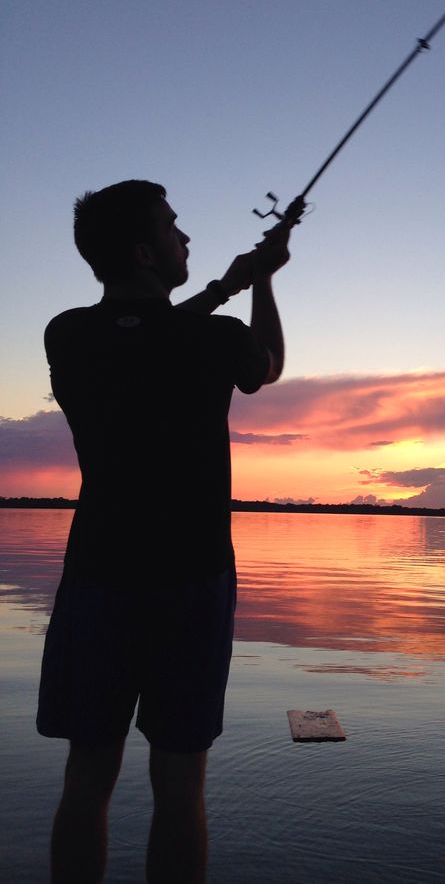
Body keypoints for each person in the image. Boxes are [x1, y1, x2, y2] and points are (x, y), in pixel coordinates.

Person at [37, 180, 304, 884]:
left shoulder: (68, 335)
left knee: (86, 777)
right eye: (173, 228)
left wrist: (227, 285)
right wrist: (259, 285)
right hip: (192, 582)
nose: (186, 238)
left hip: (98, 578)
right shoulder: (205, 336)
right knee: (180, 787)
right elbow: (267, 366)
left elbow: (146, 337)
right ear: (144, 252)